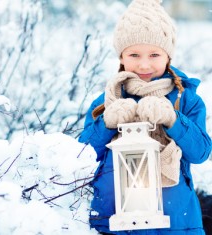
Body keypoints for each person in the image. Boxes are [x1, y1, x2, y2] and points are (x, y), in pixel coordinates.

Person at [78, 0, 212, 234]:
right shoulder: (106, 101)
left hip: (176, 223)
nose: (144, 64)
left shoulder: (187, 100)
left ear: (168, 56)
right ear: (121, 57)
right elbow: (81, 158)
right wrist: (107, 123)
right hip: (113, 222)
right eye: (134, 54)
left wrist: (173, 120)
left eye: (154, 54)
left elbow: (200, 152)